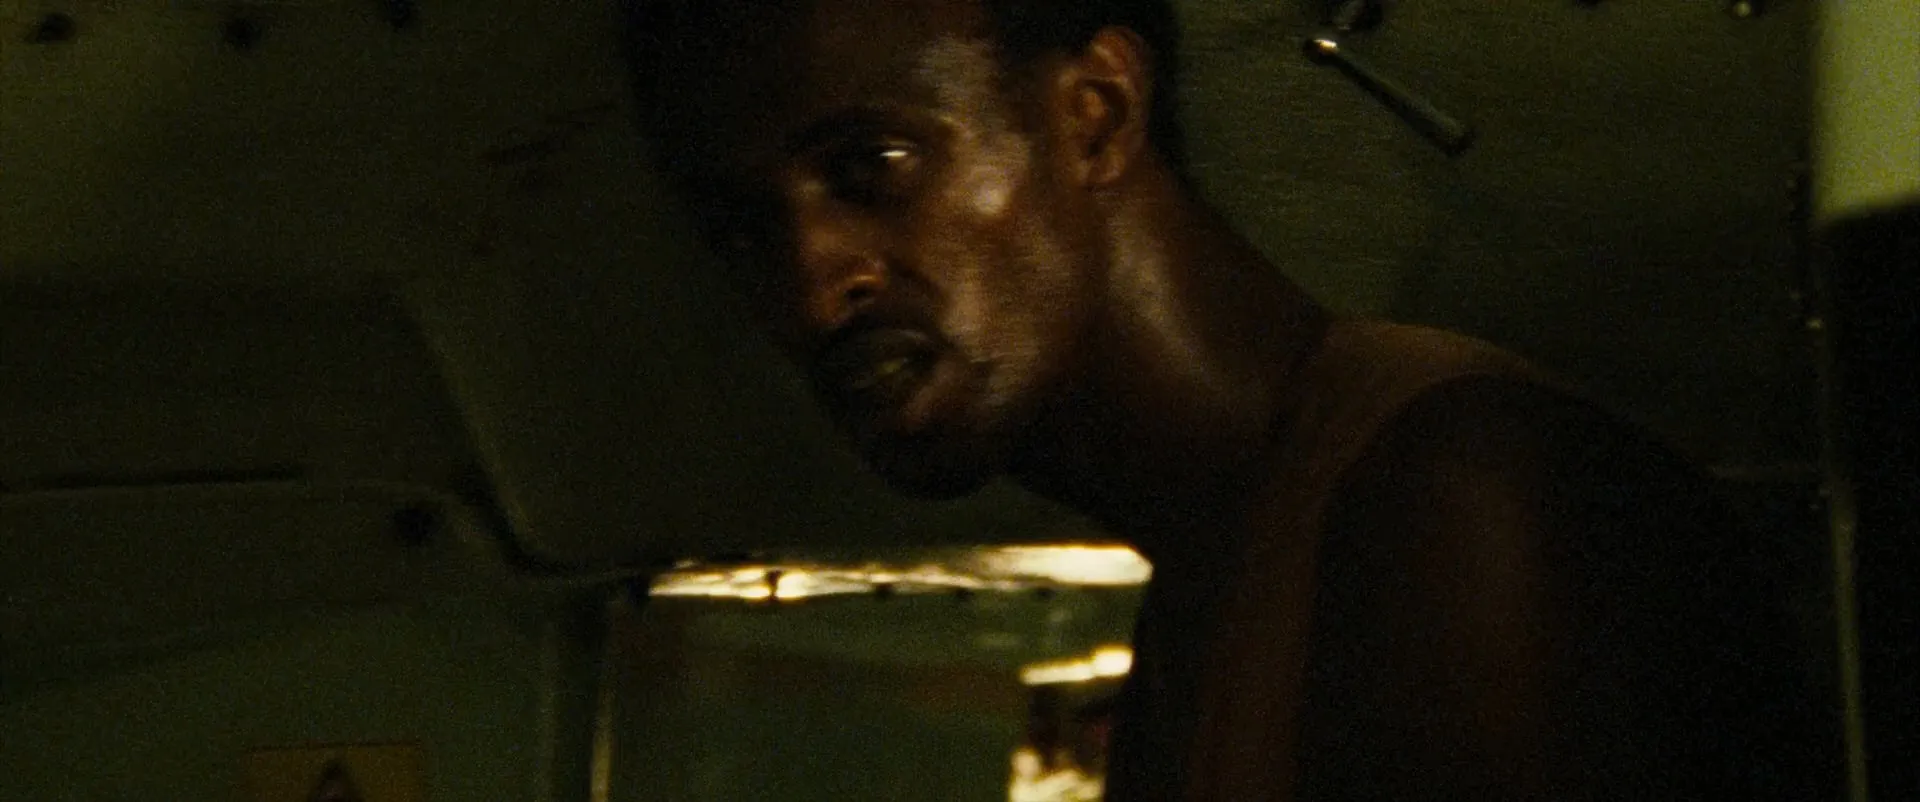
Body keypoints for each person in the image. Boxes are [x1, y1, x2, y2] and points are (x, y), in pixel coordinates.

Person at [617, 0, 1824, 798]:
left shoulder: (1453, 502)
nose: (814, 283)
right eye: (745, 230)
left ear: (1093, 115)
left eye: (870, 167)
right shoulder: (1226, 564)